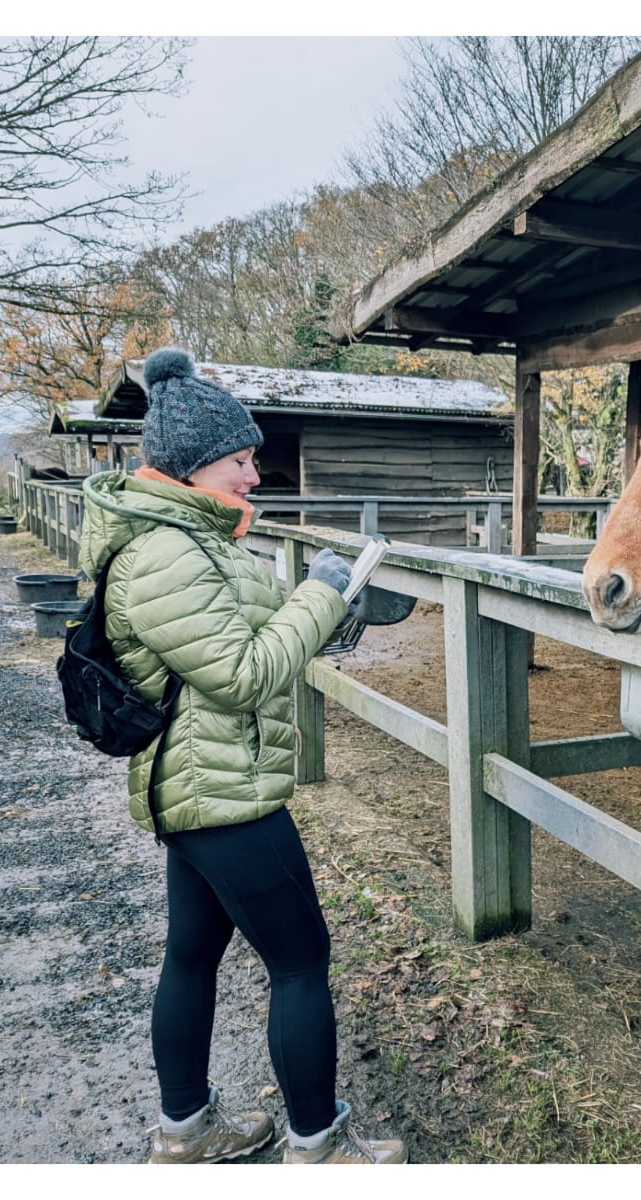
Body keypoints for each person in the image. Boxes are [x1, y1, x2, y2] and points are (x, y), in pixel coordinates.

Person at [78, 347, 407, 1165]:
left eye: (254, 457)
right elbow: (242, 674)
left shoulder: (197, 540)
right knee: (301, 961)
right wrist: (322, 594)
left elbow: (252, 636)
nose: (255, 476)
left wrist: (342, 610)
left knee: (192, 953)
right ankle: (318, 1148)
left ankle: (184, 1133)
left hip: (199, 788)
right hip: (224, 796)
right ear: (191, 468)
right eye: (241, 460)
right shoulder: (166, 554)